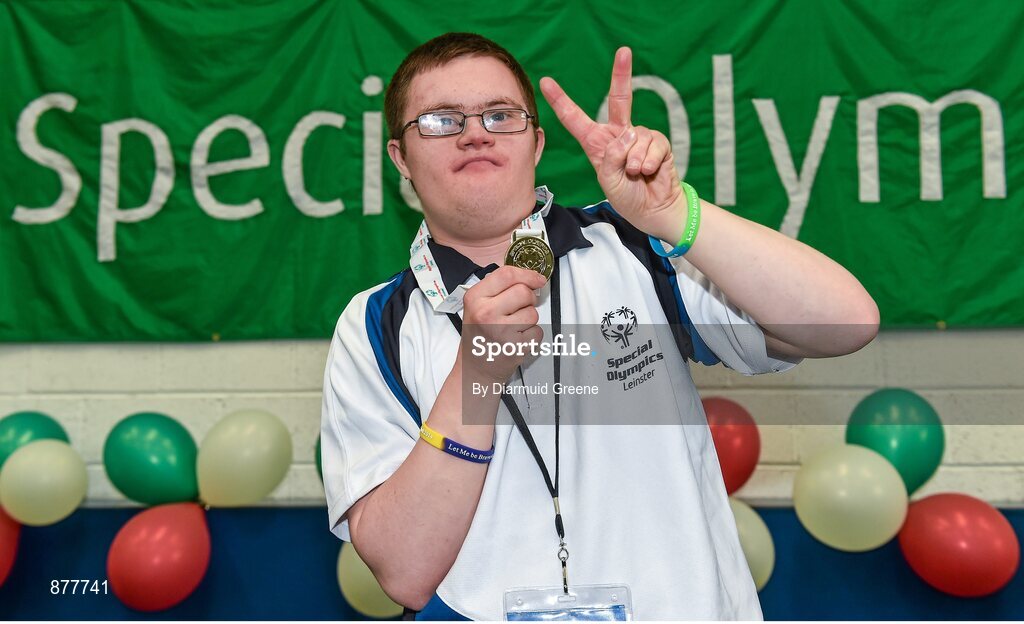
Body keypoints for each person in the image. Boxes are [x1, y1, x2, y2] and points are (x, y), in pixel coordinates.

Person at [321, 32, 878, 620]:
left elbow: (848, 324)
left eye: (499, 115)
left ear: (536, 143)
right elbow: (403, 574)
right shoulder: (373, 325)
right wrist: (475, 377)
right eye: (439, 120)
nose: (474, 132)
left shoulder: (635, 246)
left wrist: (672, 215)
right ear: (400, 157)